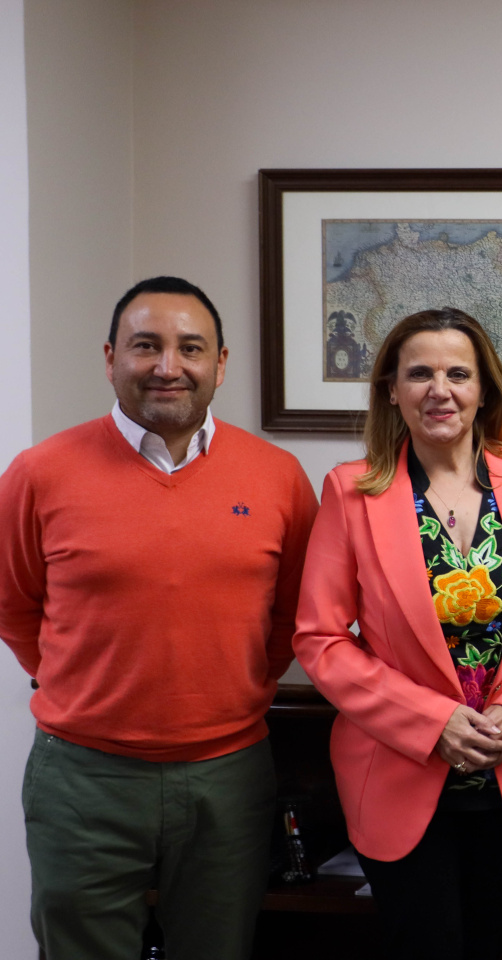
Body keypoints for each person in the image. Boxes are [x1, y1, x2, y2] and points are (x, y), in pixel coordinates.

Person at [0, 276, 318, 960]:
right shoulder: (39, 473)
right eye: (146, 346)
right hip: (83, 779)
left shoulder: (279, 477)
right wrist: (81, 684)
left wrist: (239, 690)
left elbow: (294, 612)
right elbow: (15, 604)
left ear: (221, 364)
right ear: (111, 356)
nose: (168, 366)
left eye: (190, 348)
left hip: (227, 775)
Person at [293, 308, 502, 960]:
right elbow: (320, 639)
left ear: (484, 390)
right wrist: (434, 722)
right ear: (391, 391)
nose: (440, 389)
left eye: (459, 373)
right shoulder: (351, 492)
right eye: (420, 373)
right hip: (401, 773)